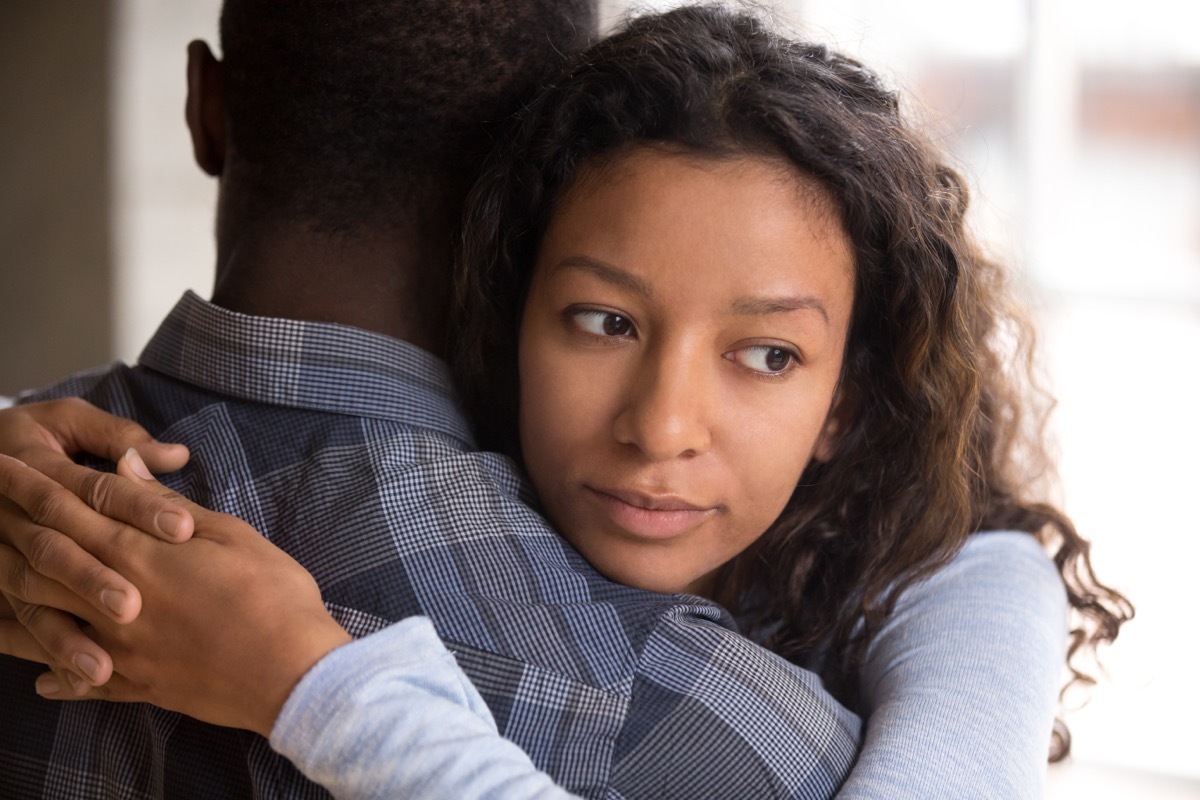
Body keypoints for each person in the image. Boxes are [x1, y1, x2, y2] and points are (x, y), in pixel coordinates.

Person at [0, 4, 1133, 799]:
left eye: (770, 353)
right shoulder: (739, 739)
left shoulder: (33, 505)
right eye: (604, 320)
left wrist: (318, 683)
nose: (662, 423)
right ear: (519, 223)